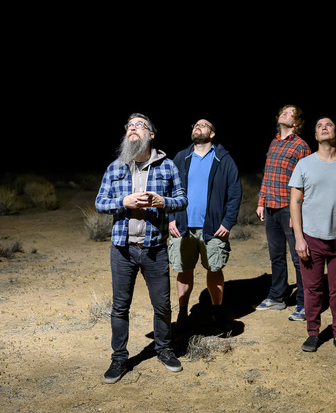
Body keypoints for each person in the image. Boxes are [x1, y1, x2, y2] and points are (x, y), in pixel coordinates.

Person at [96, 113, 188, 383]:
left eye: (140, 125)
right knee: (120, 307)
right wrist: (123, 202)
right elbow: (100, 203)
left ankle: (164, 349)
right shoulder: (116, 167)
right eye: (130, 126)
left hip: (154, 248)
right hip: (122, 249)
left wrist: (163, 202)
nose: (133, 128)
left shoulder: (167, 166)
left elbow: (182, 199)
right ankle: (119, 358)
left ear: (151, 134)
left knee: (162, 305)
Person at [289, 116, 336, 356]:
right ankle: (313, 333)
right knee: (312, 289)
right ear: (315, 135)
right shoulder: (304, 165)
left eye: (328, 125)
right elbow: (295, 202)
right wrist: (299, 238)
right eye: (319, 126)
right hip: (311, 238)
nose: (324, 127)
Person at [168, 119, 242, 330]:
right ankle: (183, 313)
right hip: (182, 226)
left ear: (212, 134)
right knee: (184, 270)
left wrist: (228, 222)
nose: (197, 127)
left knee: (215, 269)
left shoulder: (223, 159)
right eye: (195, 125)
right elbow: (168, 189)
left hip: (214, 227)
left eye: (203, 125)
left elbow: (235, 192)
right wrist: (171, 218)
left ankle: (216, 311)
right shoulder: (181, 158)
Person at [256, 105, 311, 320]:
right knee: (276, 255)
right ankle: (277, 296)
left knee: (299, 257)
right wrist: (261, 202)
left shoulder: (301, 146)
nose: (284, 114)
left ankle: (305, 303)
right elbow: (267, 174)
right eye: (283, 111)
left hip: (289, 208)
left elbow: (306, 182)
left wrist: (298, 212)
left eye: (290, 113)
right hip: (271, 207)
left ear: (296, 123)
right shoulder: (274, 142)